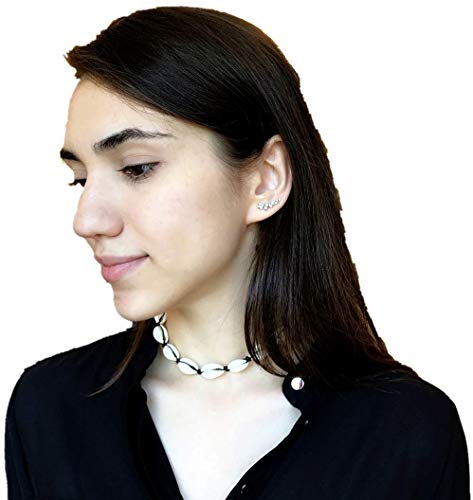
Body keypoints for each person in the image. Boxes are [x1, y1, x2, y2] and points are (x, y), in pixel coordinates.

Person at [4, 6, 470, 500]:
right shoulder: (51, 409)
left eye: (137, 168)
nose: (87, 221)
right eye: (80, 179)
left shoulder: (405, 430)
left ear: (265, 180)